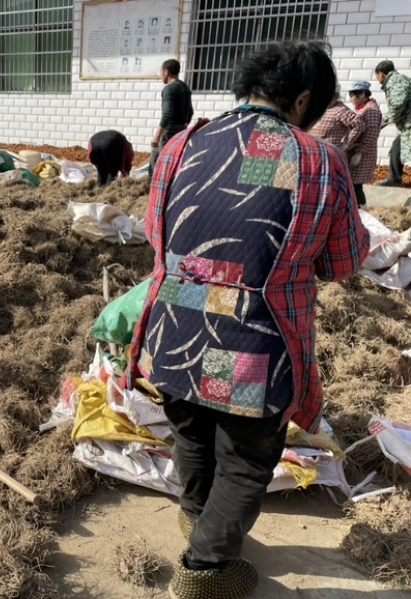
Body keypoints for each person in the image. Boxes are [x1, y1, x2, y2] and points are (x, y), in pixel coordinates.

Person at [125, 40, 369, 599]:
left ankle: (197, 519)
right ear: (304, 100)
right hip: (252, 337)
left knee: (191, 430)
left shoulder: (183, 143)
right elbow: (341, 262)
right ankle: (206, 570)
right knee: (246, 457)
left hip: (174, 326)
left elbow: (155, 235)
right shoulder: (313, 159)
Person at [149, 59, 193, 176]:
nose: (160, 75)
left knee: (163, 161)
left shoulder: (169, 89)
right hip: (181, 130)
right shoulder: (185, 87)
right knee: (158, 154)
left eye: (161, 72)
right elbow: (190, 111)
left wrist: (157, 135)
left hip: (169, 131)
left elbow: (167, 114)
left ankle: (154, 185)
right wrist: (183, 125)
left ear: (166, 72)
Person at [375, 60, 411, 186]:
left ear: (381, 74)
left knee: (398, 147)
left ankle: (395, 179)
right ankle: (395, 178)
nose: (377, 80)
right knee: (397, 147)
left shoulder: (396, 81)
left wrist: (381, 123)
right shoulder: (399, 80)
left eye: (377, 76)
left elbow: (397, 105)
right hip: (407, 126)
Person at [348, 81, 383, 206]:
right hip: (356, 152)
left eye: (352, 95)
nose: (350, 99)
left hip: (363, 153)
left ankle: (361, 211)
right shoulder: (362, 107)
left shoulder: (371, 110)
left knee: (356, 184)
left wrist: (360, 152)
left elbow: (372, 133)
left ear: (362, 94)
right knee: (352, 184)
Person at [309, 86, 365, 156]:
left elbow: (359, 125)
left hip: (329, 154)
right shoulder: (321, 108)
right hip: (314, 151)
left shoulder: (341, 110)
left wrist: (346, 143)